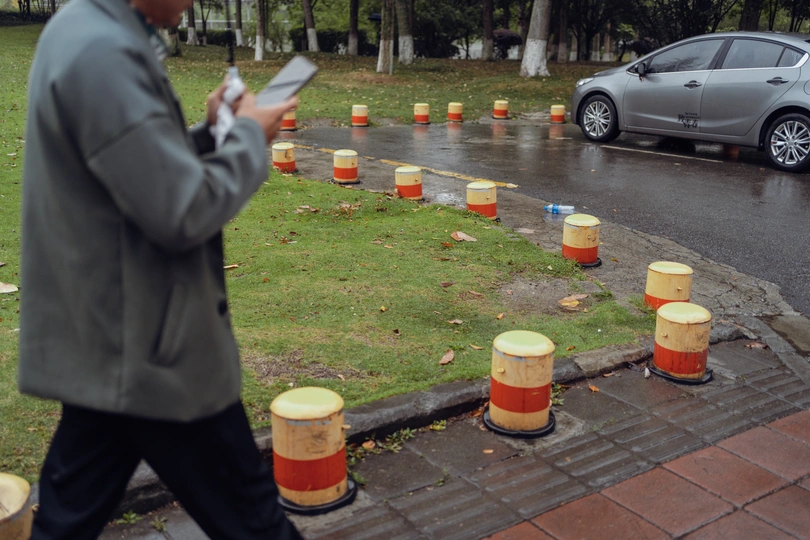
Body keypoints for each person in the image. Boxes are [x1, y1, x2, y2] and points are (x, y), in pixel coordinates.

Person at [18, 0, 303, 537]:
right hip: (155, 348)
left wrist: (213, 133)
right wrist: (248, 135)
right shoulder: (102, 52)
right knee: (256, 523)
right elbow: (183, 209)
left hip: (111, 340)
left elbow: (132, 166)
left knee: (64, 522)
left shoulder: (81, 26)